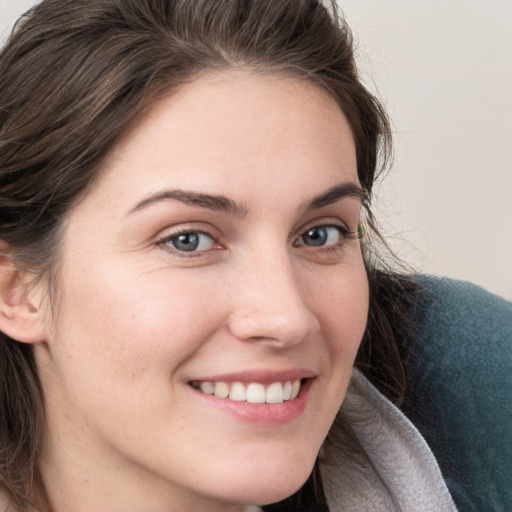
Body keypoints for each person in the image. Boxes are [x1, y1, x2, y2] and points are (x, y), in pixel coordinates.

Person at [0, 1, 510, 511]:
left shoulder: (462, 390)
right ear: (16, 288)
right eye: (188, 240)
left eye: (319, 234)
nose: (287, 318)